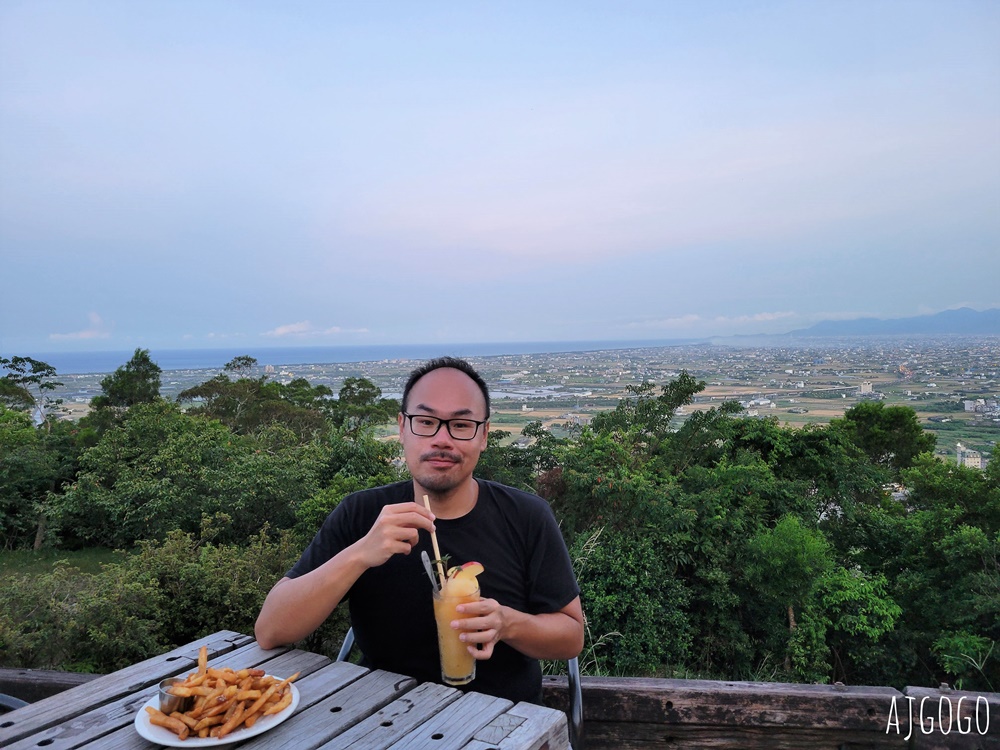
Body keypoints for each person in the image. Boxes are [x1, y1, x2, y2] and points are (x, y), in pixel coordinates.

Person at [255, 356, 584, 704]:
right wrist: (359, 554)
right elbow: (271, 630)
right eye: (425, 422)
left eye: (460, 425)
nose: (442, 439)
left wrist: (507, 623)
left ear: (484, 435)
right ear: (402, 428)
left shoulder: (526, 516)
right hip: (380, 719)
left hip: (501, 723)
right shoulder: (361, 514)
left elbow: (571, 636)